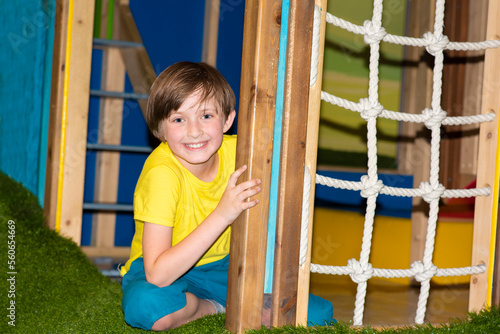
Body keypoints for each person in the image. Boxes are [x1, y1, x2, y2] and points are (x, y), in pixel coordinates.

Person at [120, 61, 333, 331]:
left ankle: (223, 299)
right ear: (160, 129)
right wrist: (223, 214)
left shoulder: (244, 155)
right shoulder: (162, 174)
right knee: (147, 306)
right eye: (178, 119)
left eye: (206, 116)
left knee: (314, 315)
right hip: (164, 268)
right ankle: (208, 306)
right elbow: (158, 274)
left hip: (225, 266)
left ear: (228, 120)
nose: (194, 130)